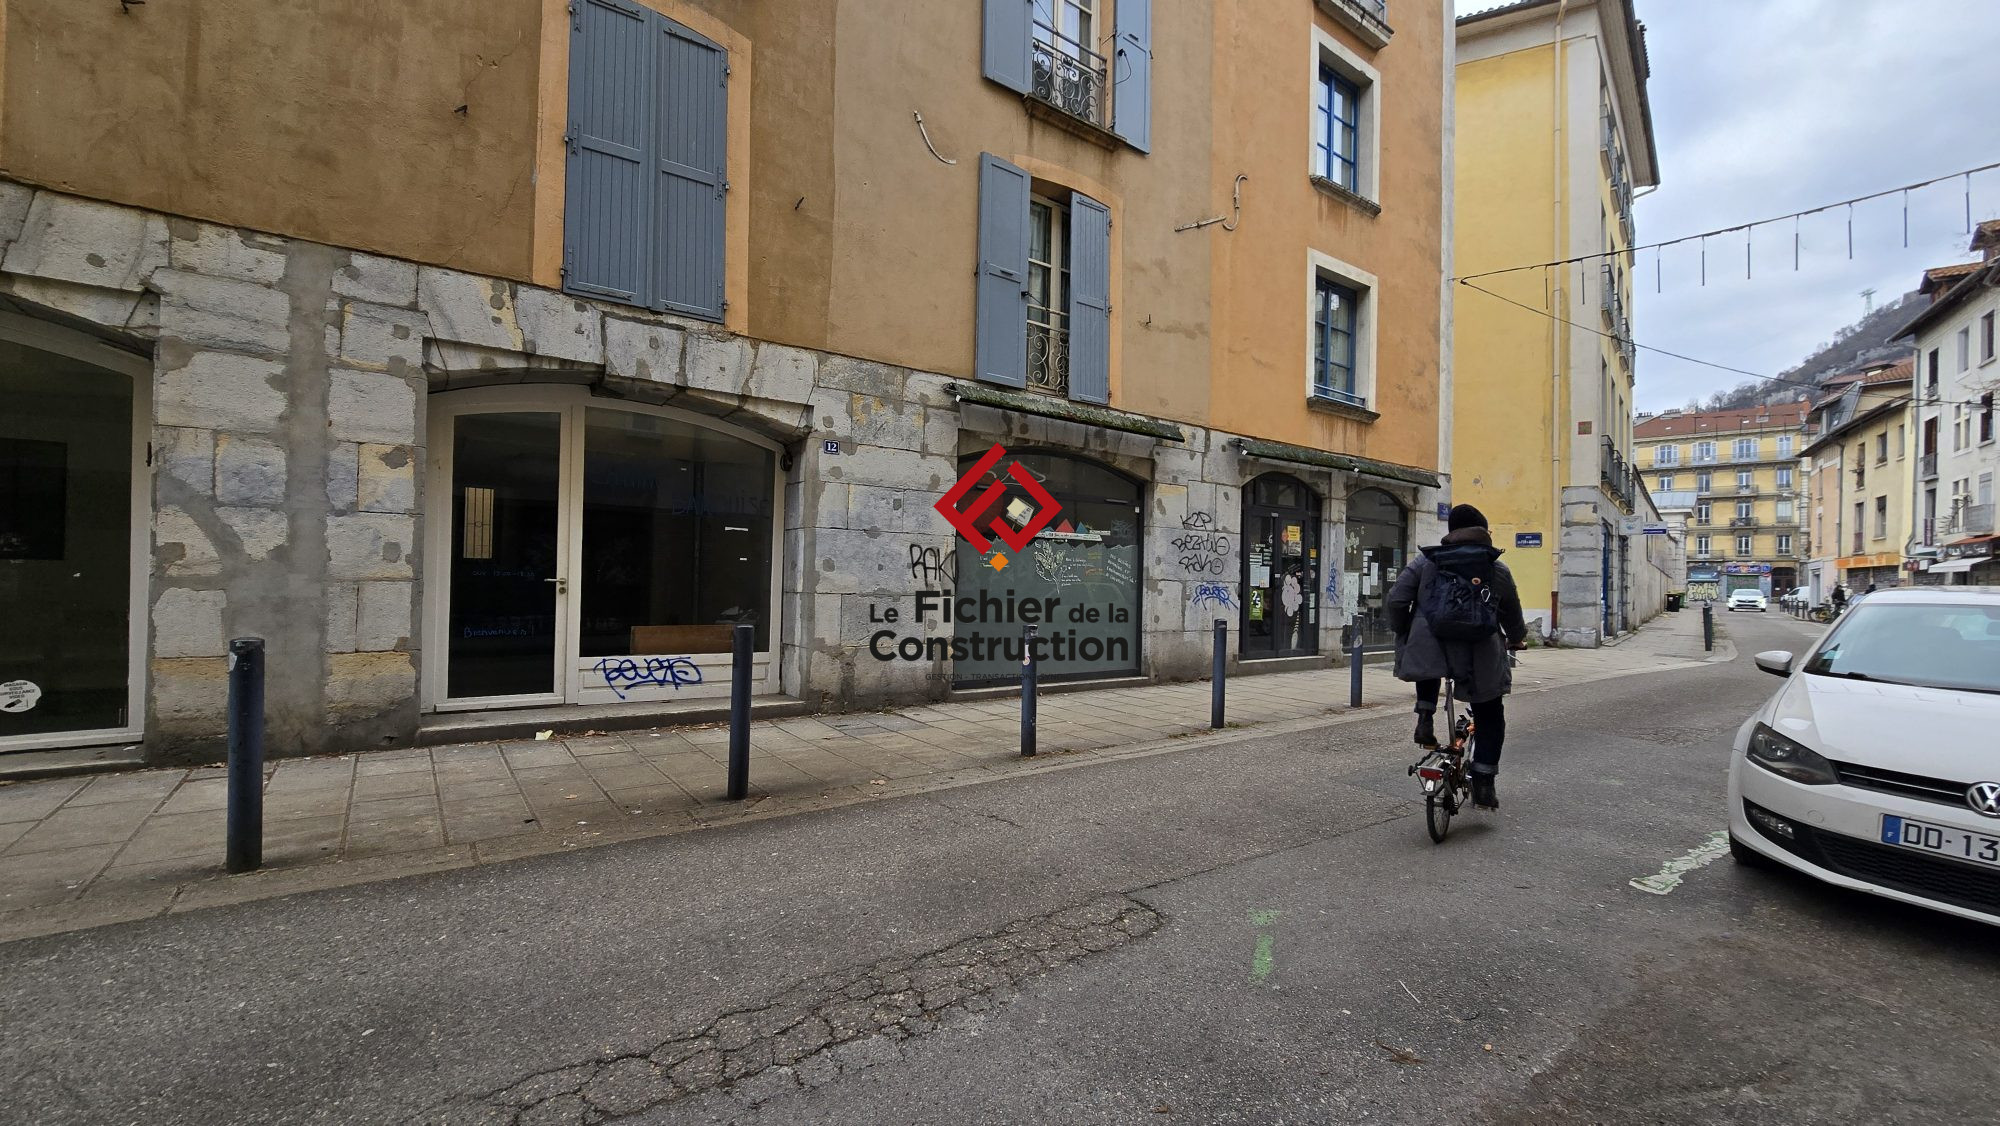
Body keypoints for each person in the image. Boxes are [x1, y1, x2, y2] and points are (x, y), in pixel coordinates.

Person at [1386, 504, 1528, 811]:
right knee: (1490, 713)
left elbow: (1396, 600)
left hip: (1432, 646)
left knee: (1429, 662)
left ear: (1451, 531)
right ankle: (1484, 781)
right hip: (1479, 652)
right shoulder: (1496, 568)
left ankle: (1425, 716)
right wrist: (1517, 638)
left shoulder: (1426, 562)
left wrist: (1405, 629)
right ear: (1484, 532)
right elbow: (1512, 612)